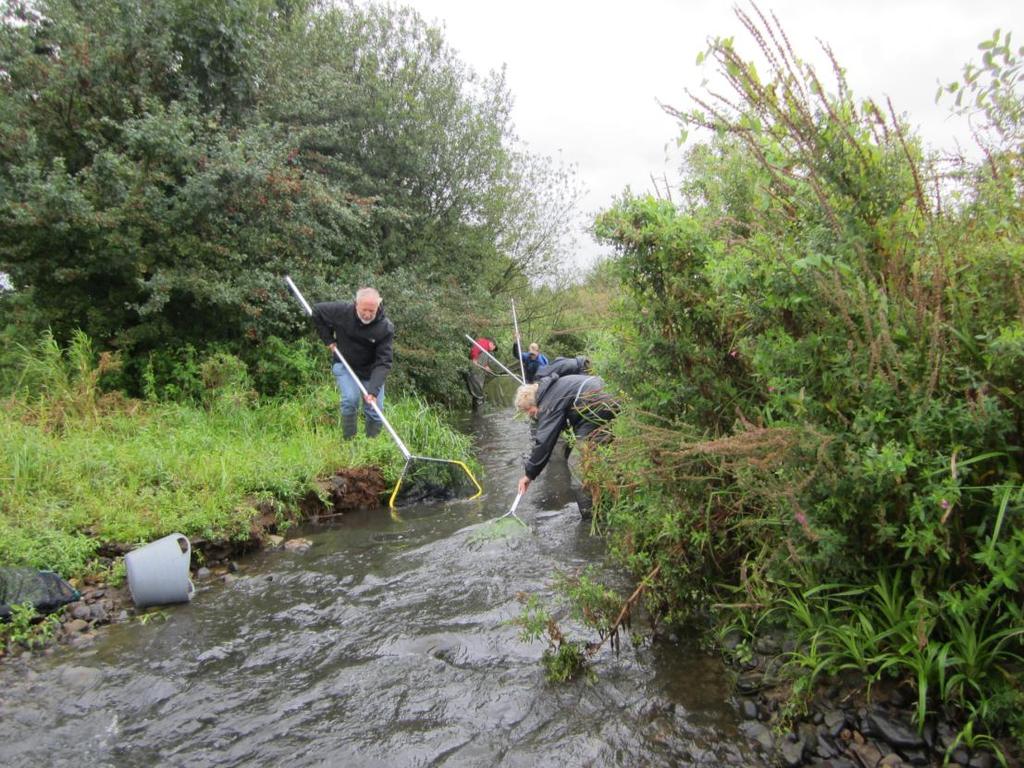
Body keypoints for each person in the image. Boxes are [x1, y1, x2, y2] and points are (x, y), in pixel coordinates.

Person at [514, 372, 620, 518]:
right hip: (608, 396)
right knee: (602, 455)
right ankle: (614, 496)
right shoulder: (552, 388)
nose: (529, 415)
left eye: (528, 411)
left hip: (596, 406)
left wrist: (529, 474)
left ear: (533, 403)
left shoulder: (547, 404)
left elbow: (544, 442)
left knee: (578, 465)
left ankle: (593, 516)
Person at [312, 287, 394, 440]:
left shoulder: (385, 327)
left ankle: (371, 446)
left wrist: (373, 391)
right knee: (350, 400)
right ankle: (349, 441)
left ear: (378, 306)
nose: (368, 314)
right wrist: (328, 339)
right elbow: (317, 311)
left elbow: (384, 361)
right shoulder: (342, 311)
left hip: (371, 371)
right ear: (356, 304)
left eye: (372, 310)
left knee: (375, 412)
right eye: (364, 310)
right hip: (345, 365)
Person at [465, 336, 496, 408]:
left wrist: (486, 366)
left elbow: (483, 359)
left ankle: (476, 409)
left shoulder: (486, 350)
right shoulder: (484, 343)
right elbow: (475, 349)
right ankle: (478, 411)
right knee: (477, 390)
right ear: (492, 344)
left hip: (479, 372)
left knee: (477, 390)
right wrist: (474, 359)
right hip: (474, 371)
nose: (493, 350)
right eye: (494, 348)